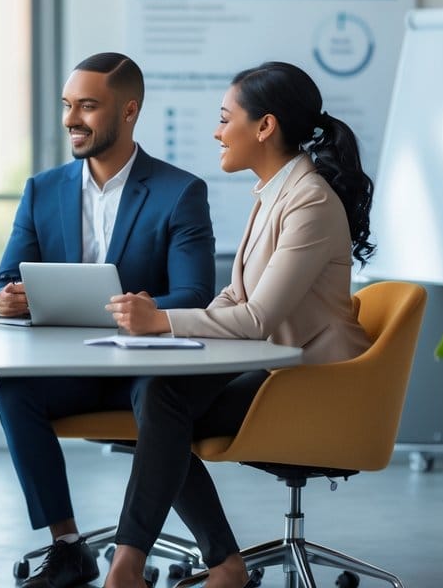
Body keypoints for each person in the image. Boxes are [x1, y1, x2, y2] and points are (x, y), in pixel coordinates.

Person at [101, 61, 376, 588]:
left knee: (160, 408)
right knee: (154, 396)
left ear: (265, 126)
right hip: (277, 366)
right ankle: (206, 566)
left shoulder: (310, 202)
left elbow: (257, 318)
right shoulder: (274, 191)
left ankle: (139, 566)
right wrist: (158, 318)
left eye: (226, 118)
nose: (217, 130)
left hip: (315, 381)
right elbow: (236, 296)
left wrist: (160, 321)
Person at [0, 52, 216, 588]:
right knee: (13, 394)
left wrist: (149, 309)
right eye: (68, 105)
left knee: (160, 400)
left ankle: (133, 559)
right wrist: (5, 301)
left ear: (129, 110)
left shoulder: (179, 192)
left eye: (88, 106)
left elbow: (196, 294)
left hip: (143, 370)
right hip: (71, 371)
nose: (72, 119)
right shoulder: (43, 190)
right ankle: (67, 545)